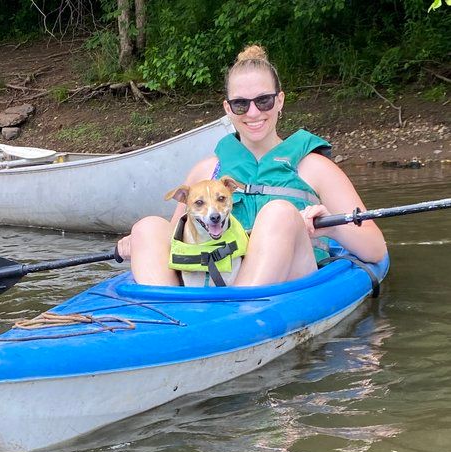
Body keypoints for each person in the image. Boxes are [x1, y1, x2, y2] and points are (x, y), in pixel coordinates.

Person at [117, 44, 386, 286]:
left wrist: (335, 227)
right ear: (227, 108)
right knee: (147, 227)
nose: (254, 112)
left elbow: (376, 250)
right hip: (216, 278)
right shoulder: (207, 172)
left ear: (280, 100)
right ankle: (170, 318)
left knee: (279, 212)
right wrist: (138, 243)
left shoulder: (315, 168)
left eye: (263, 100)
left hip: (289, 281)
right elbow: (176, 240)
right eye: (240, 104)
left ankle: (239, 312)